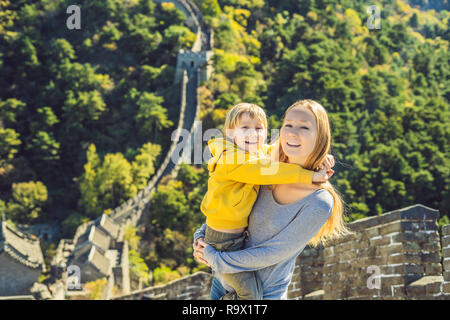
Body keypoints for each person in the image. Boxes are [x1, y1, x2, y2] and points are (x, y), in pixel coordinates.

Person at [193, 99, 352, 299]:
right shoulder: (266, 169)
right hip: (221, 286)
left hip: (263, 295)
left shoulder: (319, 201)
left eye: (304, 127)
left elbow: (272, 253)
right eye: (288, 125)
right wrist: (201, 237)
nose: (293, 133)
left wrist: (214, 258)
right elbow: (229, 205)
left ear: (320, 137)